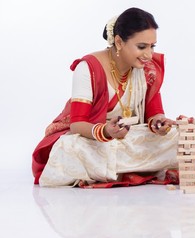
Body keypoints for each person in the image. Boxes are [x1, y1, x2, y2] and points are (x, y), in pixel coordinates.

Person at [32, 7, 178, 187]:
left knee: (175, 136)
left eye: (152, 46)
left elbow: (155, 113)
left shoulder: (147, 69)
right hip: (95, 140)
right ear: (118, 42)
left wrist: (159, 124)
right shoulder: (88, 68)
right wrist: (106, 132)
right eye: (142, 47)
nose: (149, 55)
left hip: (129, 137)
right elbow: (77, 124)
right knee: (70, 148)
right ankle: (134, 167)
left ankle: (114, 169)